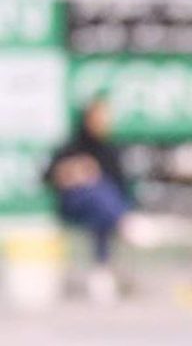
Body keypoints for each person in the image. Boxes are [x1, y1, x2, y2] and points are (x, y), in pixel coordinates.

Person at [43, 96, 130, 303]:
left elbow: (121, 185)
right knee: (95, 192)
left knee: (102, 207)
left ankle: (102, 268)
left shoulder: (109, 150)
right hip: (74, 205)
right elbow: (47, 177)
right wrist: (74, 172)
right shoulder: (71, 146)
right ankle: (123, 224)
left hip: (101, 210)